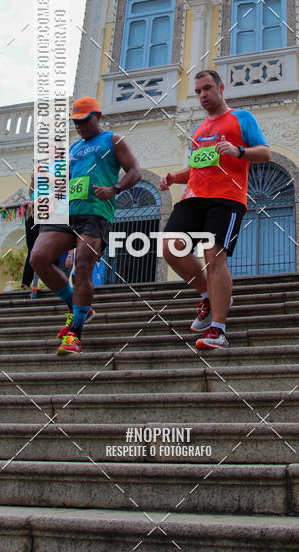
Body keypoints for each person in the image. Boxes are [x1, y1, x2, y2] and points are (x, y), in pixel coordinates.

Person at [159, 70, 270, 350]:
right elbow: (197, 167)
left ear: (221, 87)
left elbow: (265, 152)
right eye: (198, 91)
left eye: (207, 88)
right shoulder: (199, 130)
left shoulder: (242, 118)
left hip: (227, 198)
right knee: (170, 247)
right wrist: (174, 177)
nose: (203, 95)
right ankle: (209, 295)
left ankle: (218, 331)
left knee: (214, 256)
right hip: (193, 196)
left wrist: (238, 151)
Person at [30, 97, 141, 355]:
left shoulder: (113, 140)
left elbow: (135, 171)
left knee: (82, 264)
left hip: (96, 213)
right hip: (68, 212)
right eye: (75, 122)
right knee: (38, 258)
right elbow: (65, 180)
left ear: (98, 116)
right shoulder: (74, 147)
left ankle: (75, 333)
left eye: (84, 120)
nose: (79, 126)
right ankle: (78, 306)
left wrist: (114, 188)